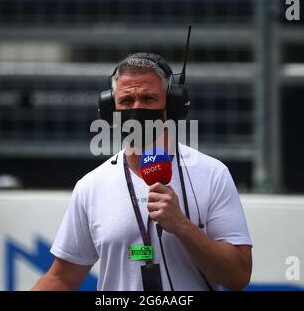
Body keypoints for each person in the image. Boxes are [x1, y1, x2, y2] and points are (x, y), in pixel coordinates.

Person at [33, 53, 252, 291]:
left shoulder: (212, 174)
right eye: (126, 101)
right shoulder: (91, 186)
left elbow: (238, 275)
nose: (137, 109)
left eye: (148, 99)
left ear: (172, 105)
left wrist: (182, 226)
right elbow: (62, 278)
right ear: (110, 111)